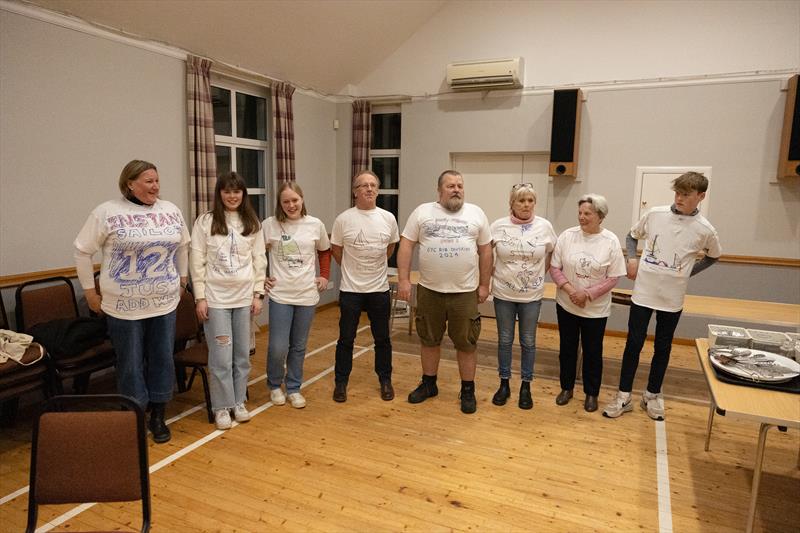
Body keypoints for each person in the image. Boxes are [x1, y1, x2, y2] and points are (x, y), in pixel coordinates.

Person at [74, 160, 190, 443]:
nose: (155, 186)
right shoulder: (107, 212)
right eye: (148, 181)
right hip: (123, 307)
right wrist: (90, 293)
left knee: (162, 357)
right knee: (130, 362)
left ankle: (159, 414)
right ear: (130, 183)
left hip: (163, 303)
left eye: (157, 181)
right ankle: (135, 412)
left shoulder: (170, 210)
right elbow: (81, 251)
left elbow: (183, 245)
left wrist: (183, 279)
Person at [604, 172, 721, 420]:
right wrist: (632, 258)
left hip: (672, 298)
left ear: (700, 196)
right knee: (633, 344)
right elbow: (632, 235)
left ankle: (652, 395)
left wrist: (688, 272)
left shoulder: (705, 229)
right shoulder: (655, 214)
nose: (679, 198)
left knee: (663, 347)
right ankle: (623, 396)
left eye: (686, 194)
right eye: (677, 193)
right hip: (643, 293)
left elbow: (713, 256)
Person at [397, 170, 492, 414]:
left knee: (467, 343)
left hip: (465, 293)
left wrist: (484, 285)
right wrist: (404, 280)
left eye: (460, 185)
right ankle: (429, 384)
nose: (456, 189)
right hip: (430, 291)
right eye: (451, 186)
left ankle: (468, 390)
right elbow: (406, 245)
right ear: (439, 190)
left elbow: (486, 251)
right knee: (429, 340)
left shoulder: (476, 213)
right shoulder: (422, 212)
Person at [190, 172, 267, 430]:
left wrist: (258, 294)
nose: (232, 196)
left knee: (242, 355)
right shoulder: (205, 222)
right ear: (219, 194)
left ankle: (238, 402)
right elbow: (197, 262)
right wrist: (200, 297)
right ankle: (221, 407)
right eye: (227, 191)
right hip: (216, 301)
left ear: (243, 194)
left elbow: (259, 261)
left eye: (237, 191)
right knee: (221, 356)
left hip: (244, 300)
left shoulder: (252, 222)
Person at [550, 194, 626, 413]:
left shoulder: (610, 241)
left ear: (600, 216)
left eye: (588, 214)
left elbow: (613, 278)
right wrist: (572, 291)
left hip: (595, 310)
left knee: (593, 352)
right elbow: (555, 268)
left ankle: (591, 393)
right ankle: (566, 388)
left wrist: (587, 294)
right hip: (566, 304)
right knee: (567, 348)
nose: (582, 217)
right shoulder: (567, 236)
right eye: (580, 213)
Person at [330, 170, 400, 403]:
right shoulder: (343, 219)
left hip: (379, 290)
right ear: (355, 191)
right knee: (345, 339)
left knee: (382, 339)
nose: (369, 189)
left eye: (373, 185)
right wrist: (353, 268)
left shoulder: (388, 218)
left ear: (377, 190)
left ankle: (385, 380)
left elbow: (390, 248)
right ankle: (341, 383)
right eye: (363, 185)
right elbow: (337, 251)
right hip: (351, 291)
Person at [263, 182, 330, 409]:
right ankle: (274, 384)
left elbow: (324, 251)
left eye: (295, 200)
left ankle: (293, 387)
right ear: (280, 204)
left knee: (298, 346)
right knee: (278, 346)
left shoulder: (315, 224)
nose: (291, 205)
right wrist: (261, 277)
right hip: (280, 294)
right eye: (286, 201)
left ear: (302, 199)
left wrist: (324, 276)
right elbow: (255, 254)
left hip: (306, 295)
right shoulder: (269, 225)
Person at [489, 184, 556, 410]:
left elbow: (553, 253)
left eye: (530, 201)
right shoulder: (498, 226)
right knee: (505, 341)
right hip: (503, 294)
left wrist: (539, 274)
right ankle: (504, 383)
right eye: (521, 201)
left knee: (528, 342)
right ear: (512, 204)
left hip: (531, 296)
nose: (526, 205)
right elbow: (486, 252)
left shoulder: (544, 226)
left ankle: (526, 386)